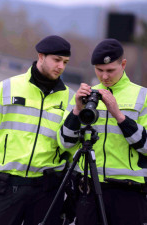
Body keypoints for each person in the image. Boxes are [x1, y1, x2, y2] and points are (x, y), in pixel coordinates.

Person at [0, 35, 75, 225]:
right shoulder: (6, 89)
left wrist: (73, 191)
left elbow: (72, 147)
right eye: (56, 60)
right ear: (41, 56)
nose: (61, 66)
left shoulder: (70, 99)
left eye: (65, 62)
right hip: (6, 187)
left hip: (47, 191)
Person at [58, 38, 147, 225]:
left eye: (110, 71)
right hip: (88, 191)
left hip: (128, 194)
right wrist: (76, 110)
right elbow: (65, 142)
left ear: (123, 64)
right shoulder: (86, 95)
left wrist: (119, 115)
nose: (104, 77)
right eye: (99, 70)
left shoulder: (142, 96)